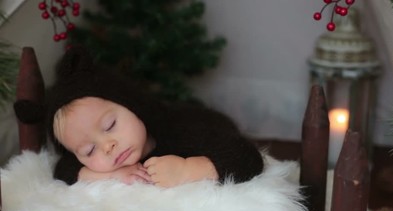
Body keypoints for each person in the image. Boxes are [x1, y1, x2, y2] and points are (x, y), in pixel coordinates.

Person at [46, 47, 264, 187]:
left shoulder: (180, 130)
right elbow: (64, 169)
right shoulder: (93, 160)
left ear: (131, 106)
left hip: (210, 123)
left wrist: (187, 169)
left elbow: (246, 156)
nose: (107, 146)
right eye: (89, 150)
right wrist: (112, 175)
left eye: (110, 125)